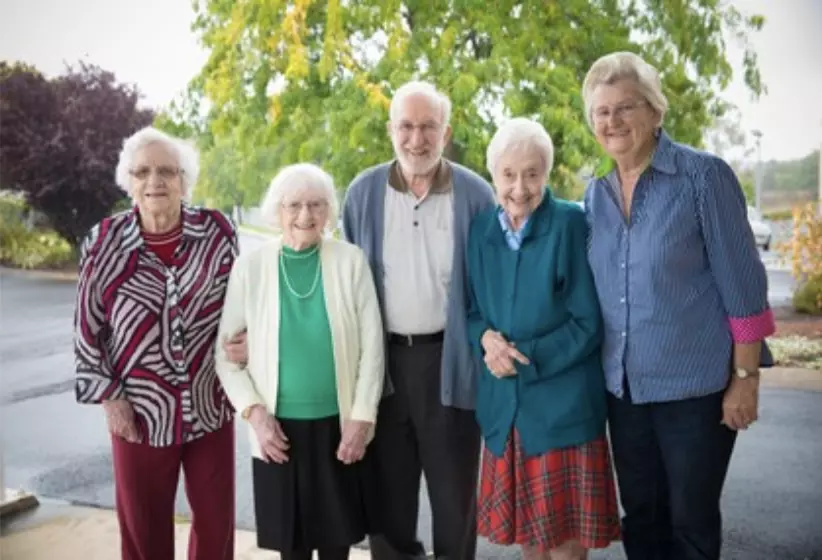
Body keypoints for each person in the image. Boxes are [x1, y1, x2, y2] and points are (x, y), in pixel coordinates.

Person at [581, 51, 776, 560]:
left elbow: (745, 289)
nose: (612, 121)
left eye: (625, 107)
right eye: (601, 112)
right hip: (624, 392)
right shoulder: (595, 196)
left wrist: (746, 379)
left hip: (695, 392)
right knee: (641, 518)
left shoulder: (703, 178)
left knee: (690, 522)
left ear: (655, 112)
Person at [341, 80, 496, 560]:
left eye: (428, 126)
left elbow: (493, 283)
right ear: (391, 130)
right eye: (406, 126)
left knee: (454, 504)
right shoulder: (363, 192)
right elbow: (338, 280)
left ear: (445, 133)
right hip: (382, 367)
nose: (416, 138)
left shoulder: (475, 194)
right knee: (388, 506)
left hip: (451, 363)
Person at [74, 126, 238, 560]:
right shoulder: (104, 243)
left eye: (167, 170)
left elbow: (244, 306)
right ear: (128, 181)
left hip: (211, 403)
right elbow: (88, 328)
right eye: (142, 171)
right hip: (139, 412)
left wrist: (247, 344)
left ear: (186, 180)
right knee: (143, 527)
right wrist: (110, 397)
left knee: (217, 521)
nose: (155, 181)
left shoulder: (218, 232)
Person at [466, 118, 621, 560]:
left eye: (532, 173)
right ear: (492, 173)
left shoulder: (572, 223)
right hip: (506, 409)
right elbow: (472, 310)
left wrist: (521, 357)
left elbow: (588, 322)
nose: (519, 187)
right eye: (508, 175)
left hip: (564, 408)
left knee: (564, 544)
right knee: (530, 540)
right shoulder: (481, 230)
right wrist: (485, 340)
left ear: (547, 174)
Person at [215, 163, 385, 560]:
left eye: (316, 205)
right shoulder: (251, 268)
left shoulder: (351, 261)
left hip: (338, 427)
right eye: (294, 205)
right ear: (277, 210)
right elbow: (226, 358)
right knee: (291, 549)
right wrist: (255, 415)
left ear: (329, 211)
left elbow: (373, 348)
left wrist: (362, 416)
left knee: (335, 546)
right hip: (276, 431)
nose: (305, 216)